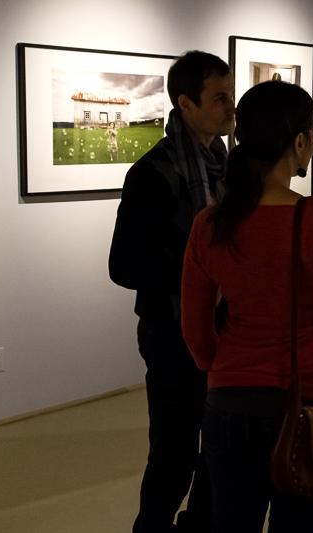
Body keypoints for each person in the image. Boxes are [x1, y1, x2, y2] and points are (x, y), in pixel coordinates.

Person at [180, 80, 313, 532]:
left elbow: (194, 327)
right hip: (310, 406)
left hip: (229, 405)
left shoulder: (210, 223)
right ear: (300, 141)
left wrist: (223, 369)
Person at [108, 50, 235, 533]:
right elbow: (123, 266)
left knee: (219, 445)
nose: (231, 106)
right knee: (175, 450)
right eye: (219, 97)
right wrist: (198, 279)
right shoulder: (152, 175)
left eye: (231, 94)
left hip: (224, 333)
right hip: (171, 333)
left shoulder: (228, 169)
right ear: (185, 102)